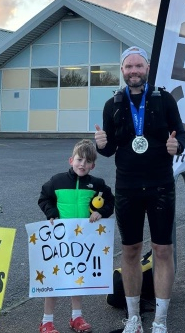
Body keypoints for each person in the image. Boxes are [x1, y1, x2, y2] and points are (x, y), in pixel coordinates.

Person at [94, 46, 185, 333]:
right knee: (131, 250)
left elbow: (181, 132)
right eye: (128, 66)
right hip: (128, 187)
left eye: (138, 66)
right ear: (122, 70)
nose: (133, 71)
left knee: (162, 250)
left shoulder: (164, 99)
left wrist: (177, 145)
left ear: (147, 68)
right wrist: (101, 144)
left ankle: (160, 320)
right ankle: (133, 317)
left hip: (160, 185)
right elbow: (110, 148)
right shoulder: (113, 104)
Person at [37, 139, 115, 333]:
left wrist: (101, 212)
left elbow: (110, 201)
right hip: (60, 240)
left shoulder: (97, 184)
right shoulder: (57, 181)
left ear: (93, 165)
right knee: (54, 280)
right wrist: (52, 214)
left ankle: (76, 317)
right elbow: (44, 198)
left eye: (87, 161)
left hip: (83, 242)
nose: (82, 164)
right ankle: (46, 321)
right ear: (71, 160)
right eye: (79, 160)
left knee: (78, 278)